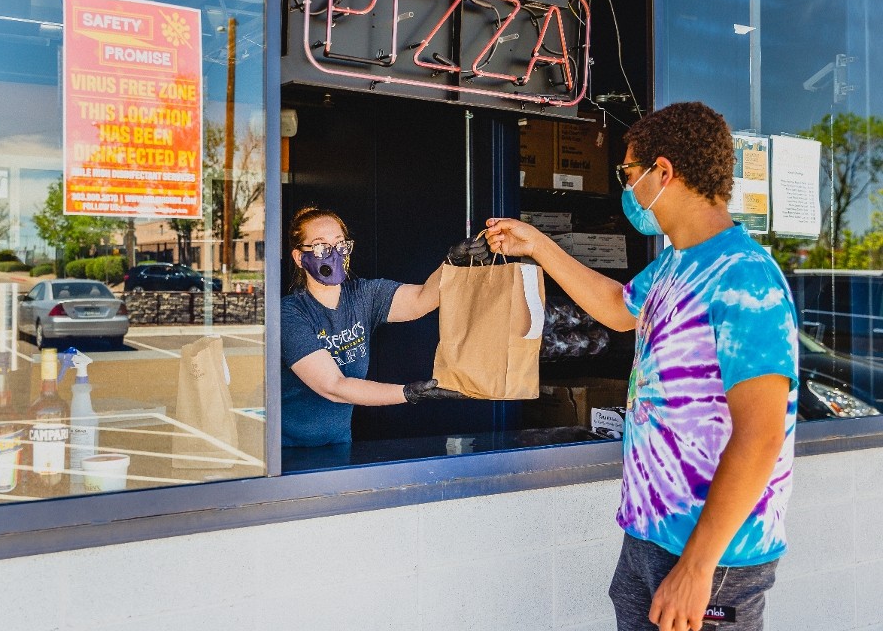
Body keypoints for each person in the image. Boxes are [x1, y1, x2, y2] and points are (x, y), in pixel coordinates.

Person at [483, 102, 798, 631]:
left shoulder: (745, 279)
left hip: (713, 558)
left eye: (629, 173)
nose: (626, 189)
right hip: (651, 538)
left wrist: (697, 567)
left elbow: (762, 436)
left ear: (663, 172)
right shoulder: (678, 262)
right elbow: (617, 308)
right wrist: (536, 245)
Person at [281, 206, 478, 447]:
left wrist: (452, 263)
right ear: (299, 257)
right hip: (286, 449)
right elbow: (334, 386)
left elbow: (421, 299)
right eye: (321, 246)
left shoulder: (365, 296)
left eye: (340, 243)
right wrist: (407, 393)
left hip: (339, 442)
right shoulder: (290, 313)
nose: (333, 253)